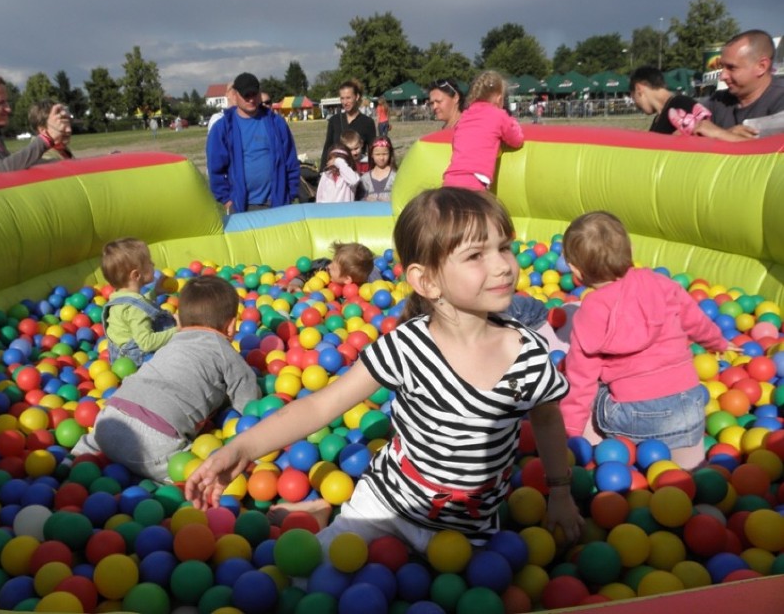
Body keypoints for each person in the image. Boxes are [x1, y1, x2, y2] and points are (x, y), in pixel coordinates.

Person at [186, 188, 584, 553]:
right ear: (426, 281)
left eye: (505, 248)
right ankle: (321, 511)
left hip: (468, 531)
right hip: (385, 507)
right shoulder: (407, 346)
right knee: (313, 580)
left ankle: (317, 509)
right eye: (476, 255)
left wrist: (560, 492)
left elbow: (547, 420)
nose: (503, 267)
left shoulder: (527, 353)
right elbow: (320, 407)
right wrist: (240, 449)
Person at [559, 211, 733, 470]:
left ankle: (601, 452)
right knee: (691, 476)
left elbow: (580, 378)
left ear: (574, 270)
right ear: (631, 249)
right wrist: (717, 342)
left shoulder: (590, 312)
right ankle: (694, 472)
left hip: (632, 415)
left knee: (592, 395)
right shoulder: (660, 283)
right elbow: (694, 319)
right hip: (688, 405)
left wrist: (571, 430)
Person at [69, 275, 261, 483]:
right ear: (232, 326)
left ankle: (72, 459)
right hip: (157, 442)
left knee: (97, 444)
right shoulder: (224, 351)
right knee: (197, 473)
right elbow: (248, 400)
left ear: (179, 318)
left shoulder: (170, 342)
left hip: (109, 420)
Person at [206, 72, 300, 214]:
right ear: (235, 95)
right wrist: (227, 200)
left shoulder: (277, 123)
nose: (251, 99)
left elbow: (290, 161)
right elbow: (215, 169)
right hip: (242, 206)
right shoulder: (222, 128)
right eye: (246, 96)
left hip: (277, 203)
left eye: (254, 94)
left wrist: (290, 194)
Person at [100, 237, 178, 366]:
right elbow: (147, 343)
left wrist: (155, 292)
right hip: (139, 362)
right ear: (136, 275)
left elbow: (139, 305)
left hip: (120, 360)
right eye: (149, 262)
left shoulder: (118, 296)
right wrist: (178, 330)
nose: (153, 264)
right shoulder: (135, 310)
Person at [443, 71, 524, 191]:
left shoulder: (465, 116)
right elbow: (517, 140)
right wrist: (512, 122)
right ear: (499, 98)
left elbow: (455, 142)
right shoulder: (499, 115)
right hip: (474, 181)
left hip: (450, 179)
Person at [629, 67, 744, 140]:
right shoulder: (659, 117)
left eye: (634, 98)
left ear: (639, 89)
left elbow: (705, 138)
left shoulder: (681, 104)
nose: (636, 104)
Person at [708, 30, 784, 138]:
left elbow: (772, 151)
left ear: (761, 66)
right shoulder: (717, 101)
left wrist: (720, 134)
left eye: (731, 68)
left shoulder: (780, 100)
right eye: (722, 67)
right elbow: (681, 135)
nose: (722, 76)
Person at [286, 241, 381, 294]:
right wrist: (296, 284)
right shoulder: (324, 268)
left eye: (334, 268)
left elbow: (378, 285)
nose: (329, 266)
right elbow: (310, 269)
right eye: (333, 261)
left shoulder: (367, 287)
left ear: (347, 279)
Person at [320, 79, 376, 167]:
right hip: (336, 173)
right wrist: (322, 172)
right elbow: (328, 148)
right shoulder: (334, 121)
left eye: (348, 98)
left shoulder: (368, 123)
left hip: (358, 173)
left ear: (357, 97)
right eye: (342, 98)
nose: (345, 102)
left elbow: (373, 151)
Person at [358, 136, 396, 202]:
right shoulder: (365, 179)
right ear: (371, 155)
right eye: (377, 154)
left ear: (390, 154)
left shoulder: (395, 177)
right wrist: (366, 199)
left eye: (385, 154)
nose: (381, 158)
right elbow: (359, 200)